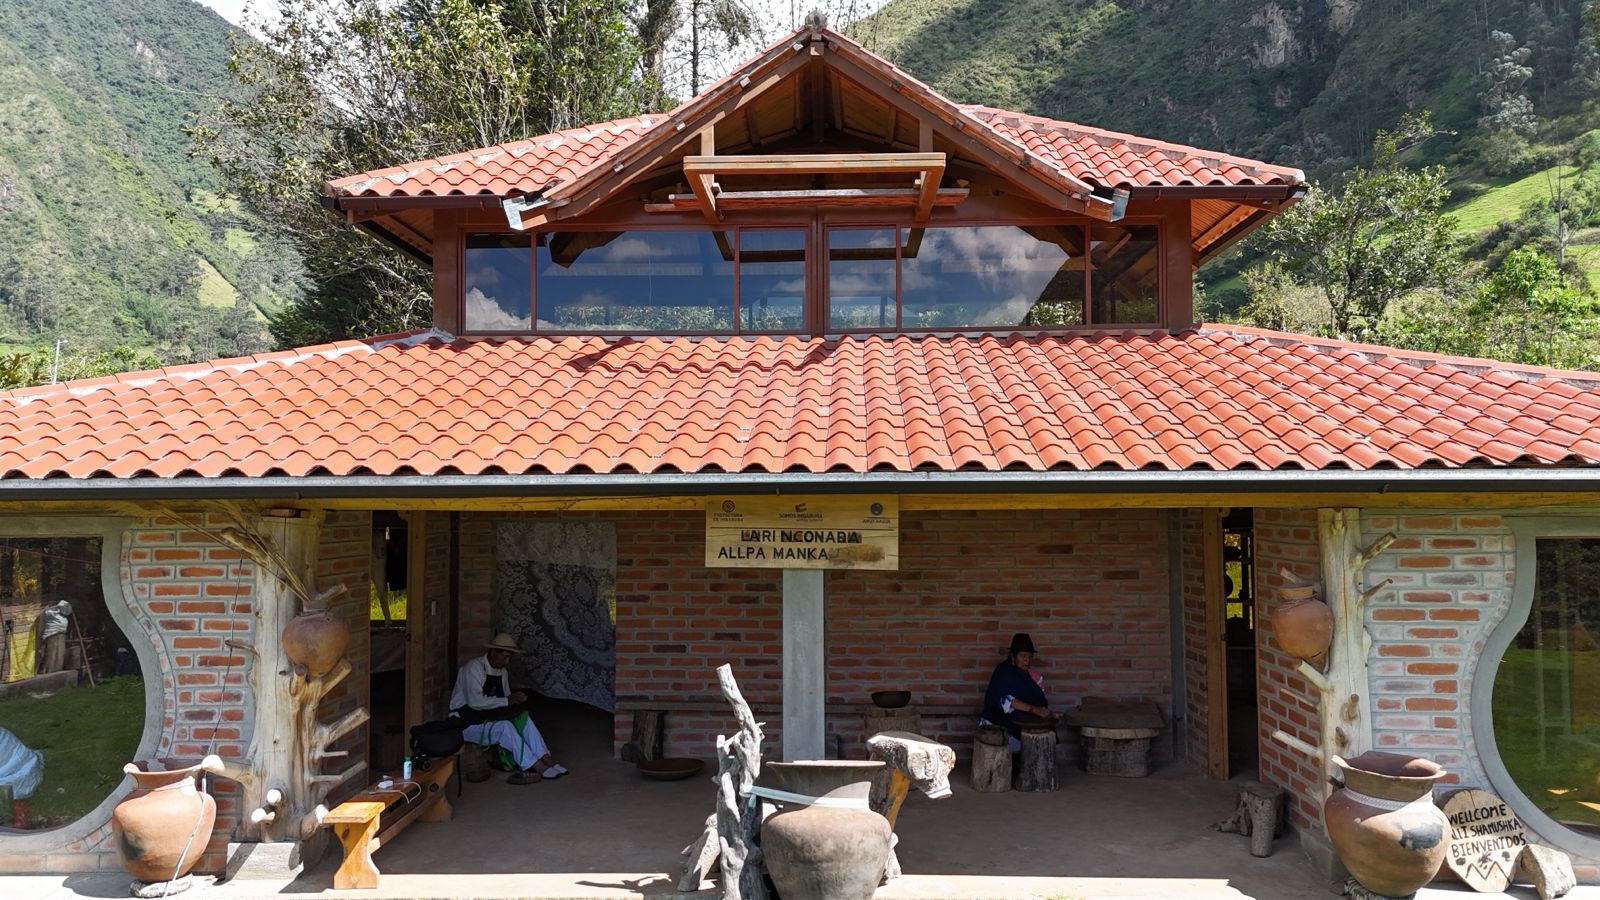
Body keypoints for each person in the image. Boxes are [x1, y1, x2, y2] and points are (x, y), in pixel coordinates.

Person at [448, 633, 566, 784]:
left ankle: (546, 758)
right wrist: (507, 700)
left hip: (486, 716)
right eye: (504, 657)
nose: (507, 661)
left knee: (524, 718)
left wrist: (516, 700)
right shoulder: (473, 668)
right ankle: (536, 765)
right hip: (466, 722)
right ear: (492, 652)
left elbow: (505, 700)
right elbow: (475, 702)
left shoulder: (502, 672)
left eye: (509, 657)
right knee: (505, 727)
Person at [981, 632, 1056, 751]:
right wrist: (1035, 710)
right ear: (1013, 656)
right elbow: (1007, 700)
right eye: (1023, 656)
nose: (1027, 660)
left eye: (1030, 656)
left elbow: (1039, 699)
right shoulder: (1003, 672)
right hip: (997, 725)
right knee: (1023, 747)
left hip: (1019, 723)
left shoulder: (1031, 676)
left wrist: (1044, 711)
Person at [36, 599, 72, 674]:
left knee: (58, 654)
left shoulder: (61, 615)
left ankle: (56, 669)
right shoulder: (51, 612)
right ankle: (47, 670)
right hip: (51, 635)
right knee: (50, 654)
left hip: (60, 634)